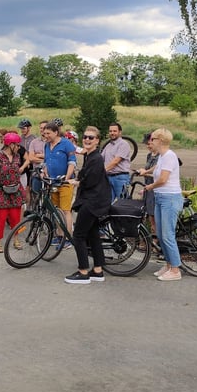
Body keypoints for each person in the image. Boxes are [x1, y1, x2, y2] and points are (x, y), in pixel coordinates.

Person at [64, 126, 111, 284]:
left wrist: (75, 182)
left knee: (78, 236)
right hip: (94, 200)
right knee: (93, 234)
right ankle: (98, 270)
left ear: (97, 141)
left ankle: (83, 272)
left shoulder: (96, 158)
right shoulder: (90, 156)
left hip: (92, 201)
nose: (87, 140)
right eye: (85, 137)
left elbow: (90, 181)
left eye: (91, 138)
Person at [143, 129, 184, 281]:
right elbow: (156, 170)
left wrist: (150, 187)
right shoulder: (162, 156)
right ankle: (168, 264)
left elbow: (163, 179)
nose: (150, 141)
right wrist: (146, 172)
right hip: (161, 197)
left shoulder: (170, 156)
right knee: (160, 234)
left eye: (152, 139)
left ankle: (175, 269)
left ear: (160, 140)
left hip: (170, 198)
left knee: (167, 235)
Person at [0, 133, 26, 253]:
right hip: (1, 191)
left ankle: (16, 239)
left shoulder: (17, 157)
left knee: (15, 218)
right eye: (17, 144)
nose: (19, 147)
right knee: (1, 218)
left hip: (16, 191)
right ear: (10, 144)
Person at [42, 121, 77, 246]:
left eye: (48, 133)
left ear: (56, 132)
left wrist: (66, 178)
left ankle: (68, 238)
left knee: (66, 210)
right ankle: (60, 235)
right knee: (56, 210)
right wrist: (44, 172)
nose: (45, 135)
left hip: (65, 183)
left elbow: (72, 162)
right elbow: (45, 161)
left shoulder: (66, 144)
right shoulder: (46, 145)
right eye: (44, 133)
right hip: (52, 183)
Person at [134, 130, 159, 234]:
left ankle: (157, 239)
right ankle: (152, 238)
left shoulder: (161, 157)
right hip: (148, 188)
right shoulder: (149, 156)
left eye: (149, 144)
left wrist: (144, 173)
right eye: (147, 144)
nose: (148, 146)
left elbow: (158, 175)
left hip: (156, 189)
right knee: (149, 215)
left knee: (155, 215)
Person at [103, 122, 131, 201]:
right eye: (110, 131)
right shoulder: (108, 146)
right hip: (108, 177)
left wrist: (102, 171)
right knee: (107, 201)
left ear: (120, 132)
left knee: (122, 202)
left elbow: (116, 161)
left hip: (120, 177)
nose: (112, 133)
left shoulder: (123, 144)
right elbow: (101, 158)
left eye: (114, 131)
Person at [26, 120, 48, 197]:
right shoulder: (34, 142)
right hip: (37, 173)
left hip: (49, 175)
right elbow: (31, 158)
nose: (42, 130)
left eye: (44, 128)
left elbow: (53, 157)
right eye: (41, 128)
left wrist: (38, 155)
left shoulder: (52, 142)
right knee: (35, 196)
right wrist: (45, 159)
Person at [18, 118, 36, 189]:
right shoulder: (20, 138)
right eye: (21, 128)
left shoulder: (33, 138)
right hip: (22, 163)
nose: (22, 130)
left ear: (29, 128)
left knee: (31, 184)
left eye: (24, 128)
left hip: (31, 163)